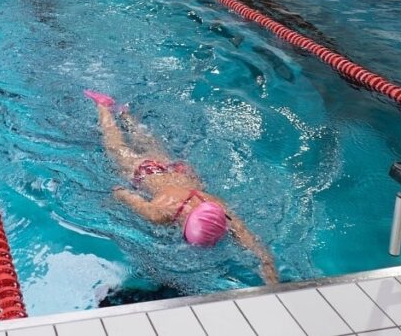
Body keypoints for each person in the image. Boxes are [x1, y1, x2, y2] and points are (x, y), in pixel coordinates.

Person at [85, 90, 279, 285]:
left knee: (144, 139)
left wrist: (268, 266)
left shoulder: (215, 204)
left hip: (176, 170)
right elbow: (124, 194)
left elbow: (252, 243)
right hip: (143, 173)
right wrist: (114, 197)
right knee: (115, 146)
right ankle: (103, 107)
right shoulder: (160, 214)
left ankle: (125, 114)